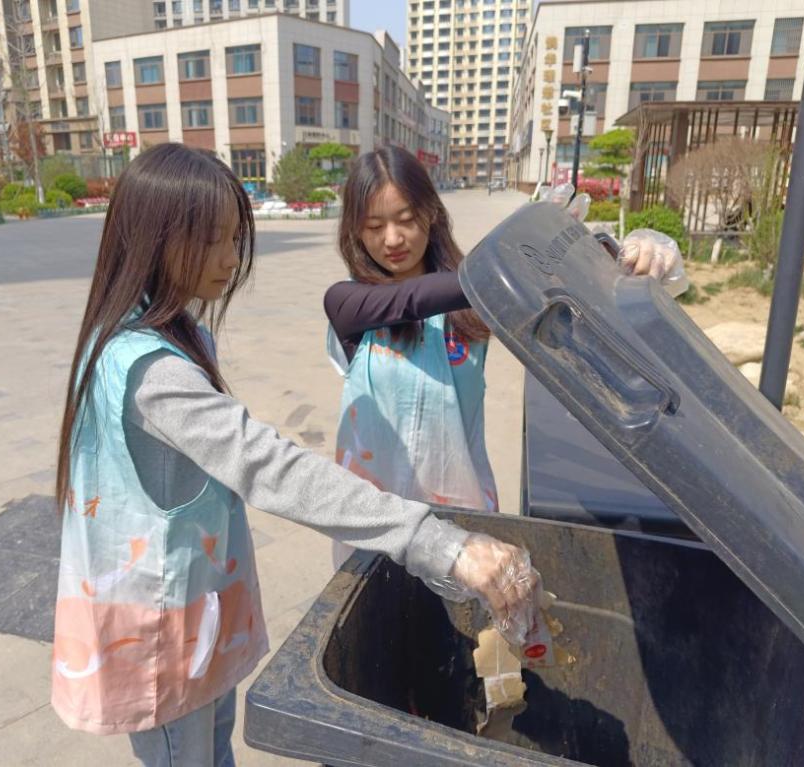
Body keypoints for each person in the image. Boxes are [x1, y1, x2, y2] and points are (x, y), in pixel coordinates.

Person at [50, 143, 536, 767]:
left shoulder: (178, 334)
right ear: (154, 239)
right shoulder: (148, 370)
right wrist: (442, 544)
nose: (232, 260)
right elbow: (266, 465)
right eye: (213, 241)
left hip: (194, 614)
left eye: (234, 238)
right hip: (157, 633)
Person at [324, 148, 685, 567]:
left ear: (431, 213)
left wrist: (621, 259)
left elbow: (588, 318)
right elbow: (412, 299)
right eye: (374, 226)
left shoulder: (471, 305)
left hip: (461, 529)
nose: (392, 239)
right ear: (355, 231)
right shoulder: (347, 304)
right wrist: (520, 255)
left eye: (405, 219)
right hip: (374, 530)